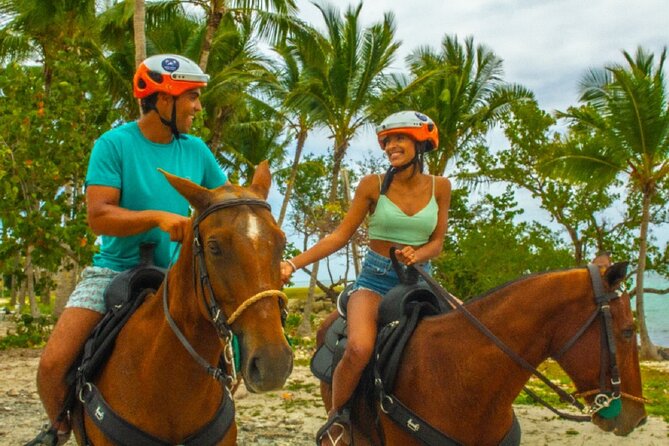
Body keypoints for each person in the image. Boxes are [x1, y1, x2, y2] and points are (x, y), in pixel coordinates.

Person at [26, 54, 228, 446]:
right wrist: (156, 218)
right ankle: (60, 428)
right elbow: (99, 216)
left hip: (176, 273)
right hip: (113, 269)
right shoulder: (113, 144)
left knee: (233, 337)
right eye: (192, 96)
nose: (198, 107)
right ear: (164, 99)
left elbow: (224, 203)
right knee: (53, 364)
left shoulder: (197, 151)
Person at [280, 111, 452, 446]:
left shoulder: (441, 187)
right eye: (387, 141)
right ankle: (338, 420)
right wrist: (292, 263)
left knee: (470, 331)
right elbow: (339, 236)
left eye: (399, 139)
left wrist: (419, 254)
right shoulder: (372, 185)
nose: (391, 147)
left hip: (420, 283)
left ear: (421, 144)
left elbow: (438, 242)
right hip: (375, 282)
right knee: (358, 347)